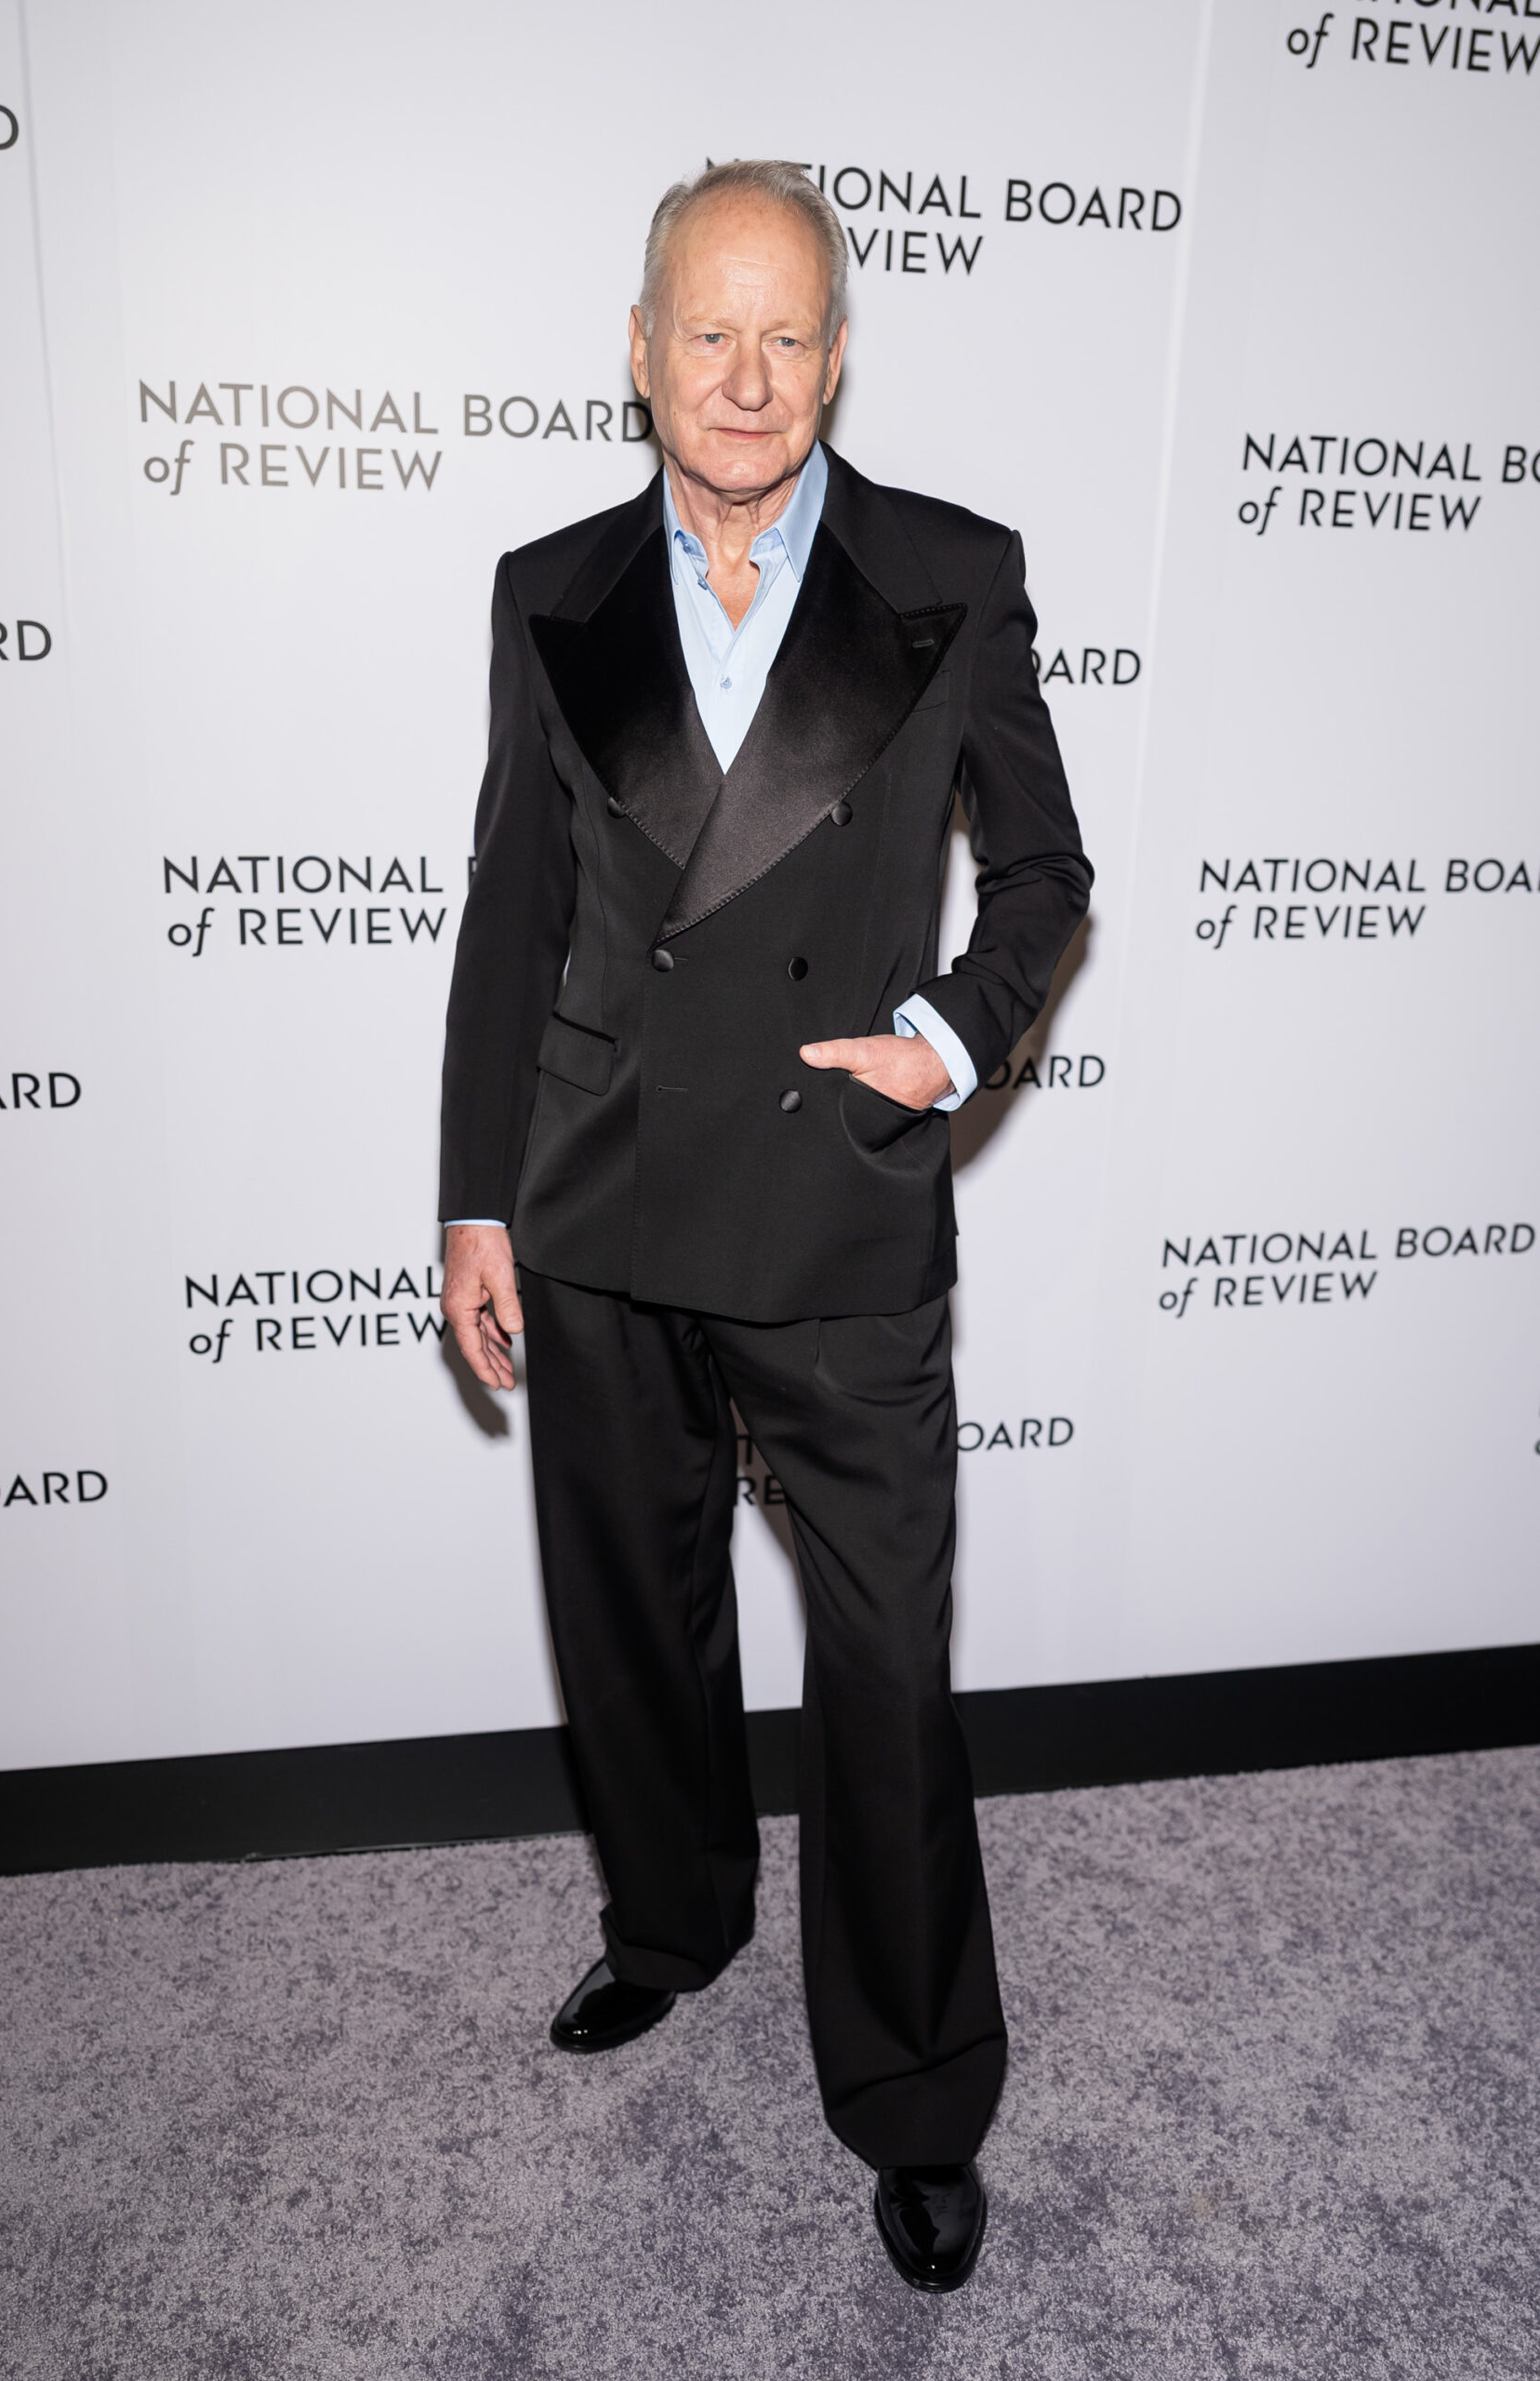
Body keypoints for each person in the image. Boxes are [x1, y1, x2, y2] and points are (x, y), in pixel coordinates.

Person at [439, 159, 1089, 2293]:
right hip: (602, 1195)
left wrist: (945, 1037)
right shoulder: (548, 588)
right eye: (703, 333)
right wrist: (474, 1193)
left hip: (832, 1201)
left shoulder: (948, 573)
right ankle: (673, 1916)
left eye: (782, 333)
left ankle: (915, 2091)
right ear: (637, 352)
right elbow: (513, 909)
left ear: (836, 351)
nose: (743, 376)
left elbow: (1043, 878)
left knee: (884, 1672)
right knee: (630, 1616)